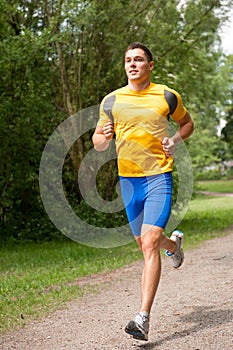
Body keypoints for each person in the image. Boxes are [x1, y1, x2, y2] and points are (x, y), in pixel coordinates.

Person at [92, 42, 194, 341]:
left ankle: (142, 317)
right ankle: (174, 247)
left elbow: (187, 124)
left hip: (158, 177)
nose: (132, 64)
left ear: (150, 65)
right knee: (145, 243)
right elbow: (98, 141)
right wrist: (103, 137)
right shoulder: (111, 101)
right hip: (128, 180)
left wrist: (174, 140)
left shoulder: (166, 96)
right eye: (128, 60)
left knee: (149, 242)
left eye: (139, 60)